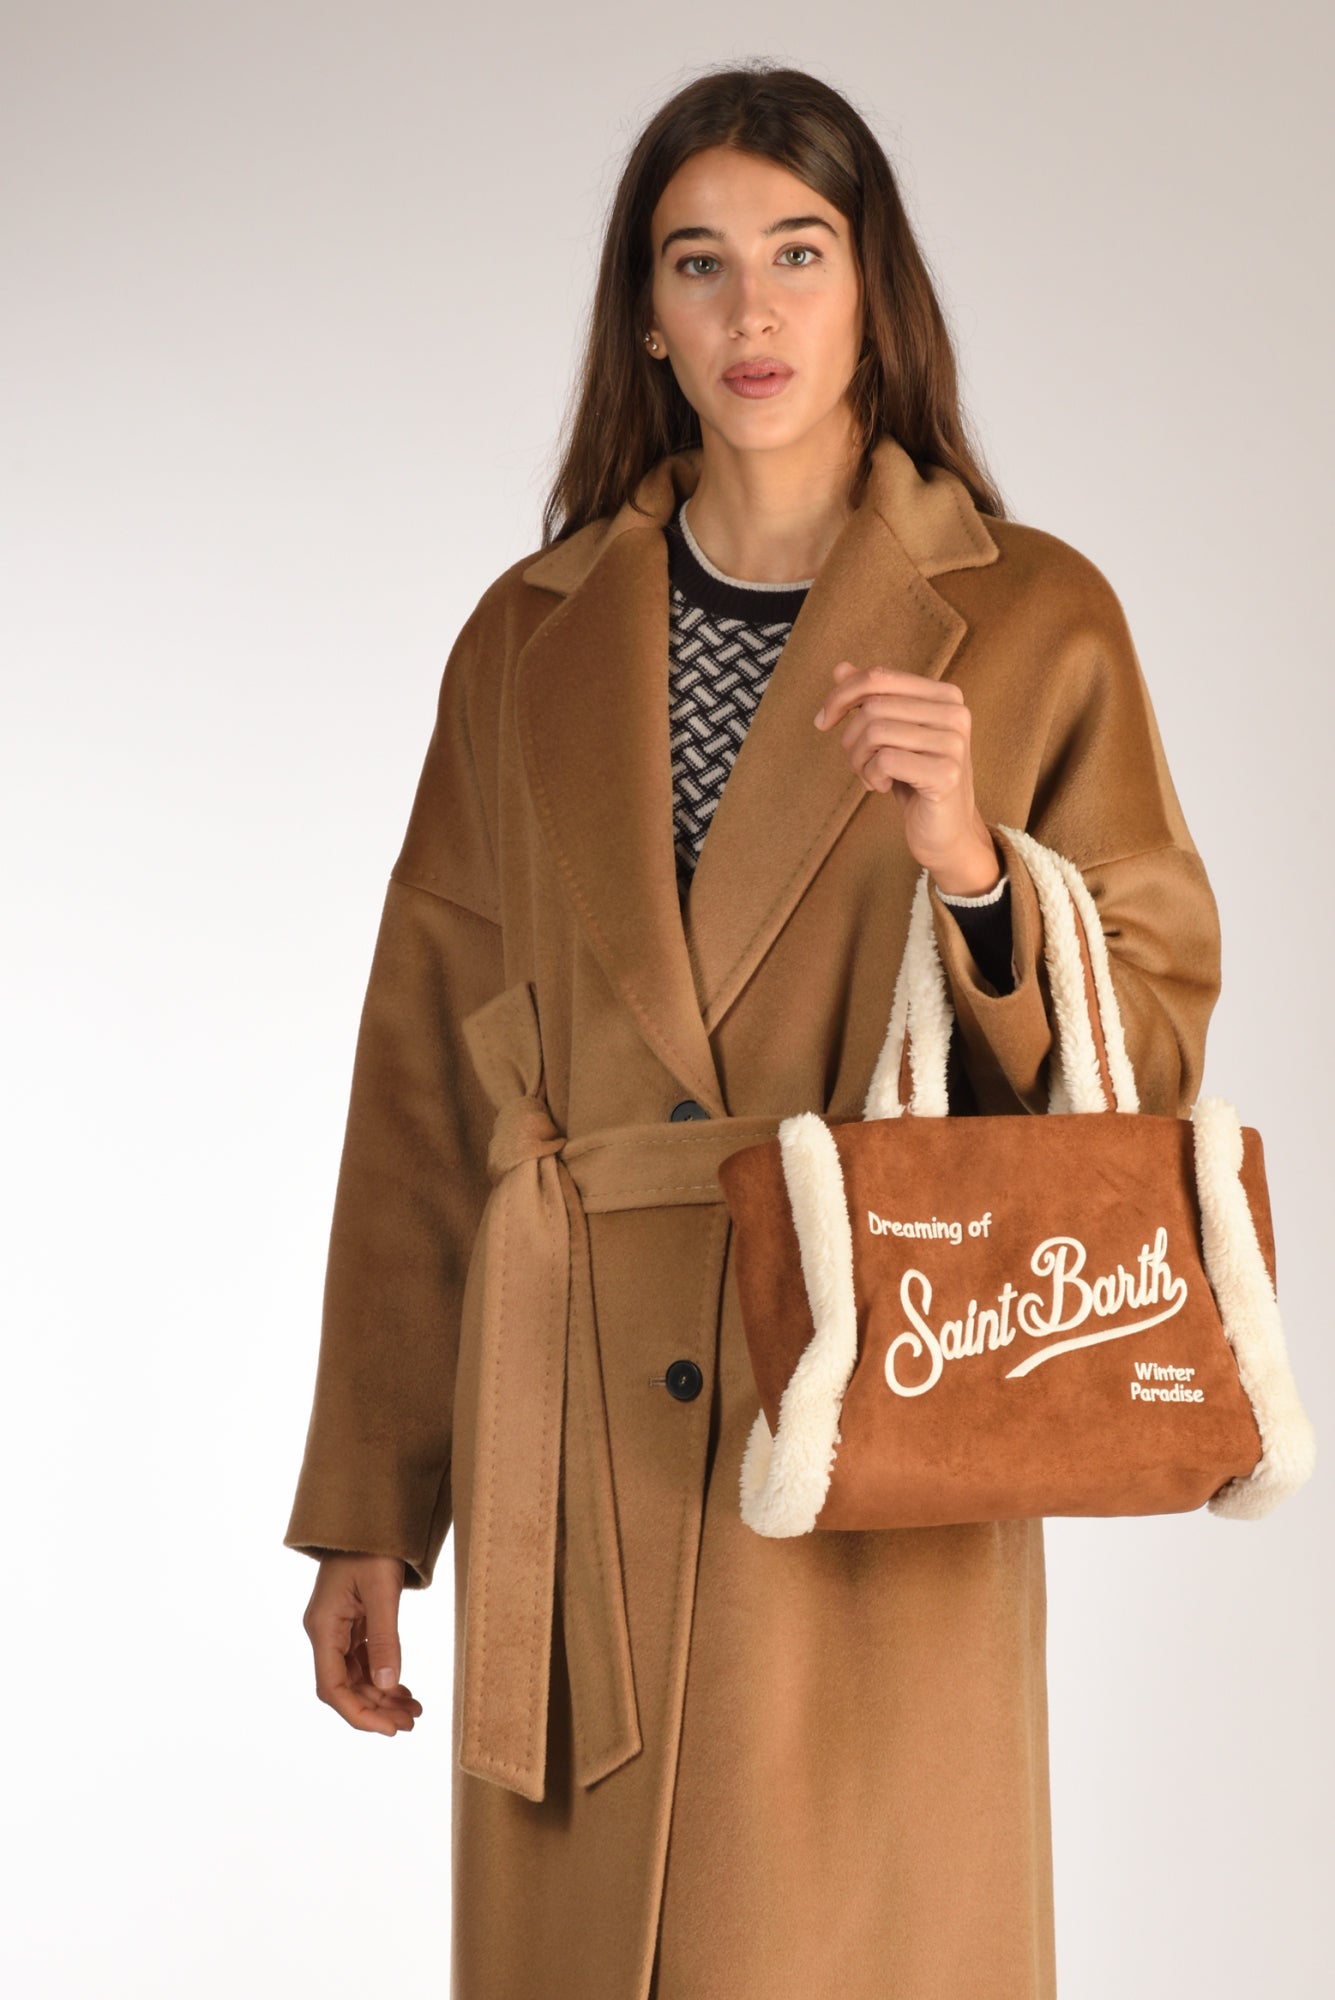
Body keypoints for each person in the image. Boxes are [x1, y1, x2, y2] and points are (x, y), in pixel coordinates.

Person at [283, 63, 1221, 2000]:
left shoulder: (1035, 618)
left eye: (798, 253)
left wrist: (974, 868)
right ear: (644, 313)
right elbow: (423, 1072)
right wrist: (371, 1506)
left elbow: (1149, 1044)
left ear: (873, 287)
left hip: (866, 1416)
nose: (750, 310)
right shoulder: (525, 638)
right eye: (696, 263)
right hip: (576, 1449)